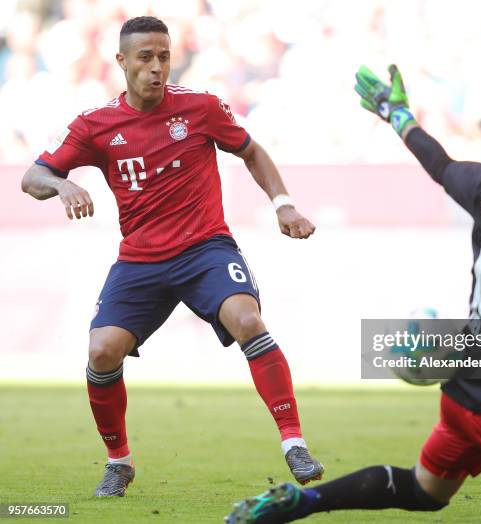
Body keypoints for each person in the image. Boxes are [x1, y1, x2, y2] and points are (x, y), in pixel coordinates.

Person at [225, 65, 481, 523]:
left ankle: (300, 502)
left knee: (423, 490)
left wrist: (396, 113)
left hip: (463, 394)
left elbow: (439, 165)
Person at [21, 16, 324, 497]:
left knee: (247, 318)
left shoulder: (200, 108)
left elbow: (252, 151)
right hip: (141, 261)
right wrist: (63, 183)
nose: (157, 67)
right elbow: (32, 177)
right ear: (121, 62)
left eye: (164, 56)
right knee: (101, 351)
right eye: (145, 57)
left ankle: (294, 444)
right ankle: (118, 462)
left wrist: (283, 205)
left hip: (205, 249)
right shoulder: (95, 125)